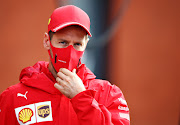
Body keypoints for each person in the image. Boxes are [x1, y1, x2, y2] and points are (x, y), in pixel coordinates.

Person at [0, 5, 130, 125]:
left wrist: (81, 98)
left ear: (85, 46)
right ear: (47, 41)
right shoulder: (13, 98)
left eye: (77, 44)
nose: (70, 51)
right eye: (63, 42)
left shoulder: (108, 94)